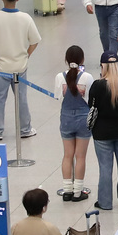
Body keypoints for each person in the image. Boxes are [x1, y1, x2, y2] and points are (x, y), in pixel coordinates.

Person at [0, 0, 42, 144]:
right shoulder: (26, 18)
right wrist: (26, 54)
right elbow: (35, 41)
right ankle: (25, 129)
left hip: (0, 66)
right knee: (21, 98)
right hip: (20, 67)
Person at [90, 53, 118, 212]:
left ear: (103, 66)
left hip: (102, 132)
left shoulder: (97, 85)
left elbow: (92, 106)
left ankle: (105, 201)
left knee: (105, 168)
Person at [51, 44, 93, 200]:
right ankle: (78, 191)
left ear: (66, 60)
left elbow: (58, 97)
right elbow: (90, 98)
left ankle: (67, 190)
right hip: (83, 118)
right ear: (82, 59)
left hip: (66, 118)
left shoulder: (59, 77)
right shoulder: (87, 77)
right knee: (80, 156)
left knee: (67, 155)